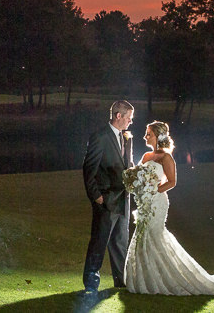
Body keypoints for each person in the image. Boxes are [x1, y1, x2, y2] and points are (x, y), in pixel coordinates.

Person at [125, 121, 214, 296]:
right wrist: (138, 186)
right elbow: (139, 177)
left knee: (154, 234)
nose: (145, 136)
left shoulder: (166, 158)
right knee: (142, 234)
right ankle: (144, 279)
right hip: (144, 203)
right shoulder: (145, 156)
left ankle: (168, 279)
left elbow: (172, 182)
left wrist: (154, 190)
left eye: (148, 133)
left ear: (158, 136)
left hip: (157, 202)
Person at [81, 99, 135, 293]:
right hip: (105, 200)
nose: (130, 122)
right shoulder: (100, 136)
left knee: (121, 241)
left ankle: (121, 282)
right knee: (99, 241)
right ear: (118, 116)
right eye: (128, 117)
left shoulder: (126, 137)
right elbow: (89, 169)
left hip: (123, 199)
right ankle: (90, 283)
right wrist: (96, 196)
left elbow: (127, 164)